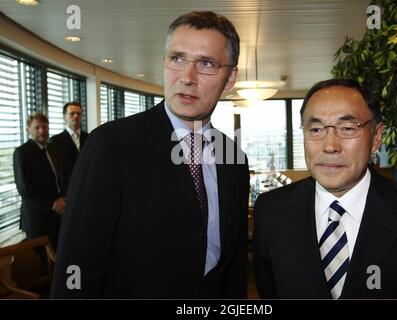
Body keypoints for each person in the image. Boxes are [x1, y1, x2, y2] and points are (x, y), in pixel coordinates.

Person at [51, 11, 249, 299]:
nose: (187, 77)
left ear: (230, 77)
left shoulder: (233, 158)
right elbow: (78, 261)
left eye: (206, 63)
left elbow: (232, 268)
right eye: (177, 58)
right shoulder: (111, 145)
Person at [253, 79, 397, 299]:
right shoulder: (271, 211)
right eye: (316, 129)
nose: (330, 146)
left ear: (376, 137)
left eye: (347, 128)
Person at [13, 113, 66, 249]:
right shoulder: (22, 152)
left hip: (58, 215)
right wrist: (52, 204)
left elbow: (62, 177)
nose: (42, 131)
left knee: (58, 254)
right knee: (41, 260)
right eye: (37, 128)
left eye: (45, 126)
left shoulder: (54, 149)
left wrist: (63, 199)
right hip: (37, 217)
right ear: (28, 130)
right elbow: (25, 188)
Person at [49, 101, 89, 182]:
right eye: (72, 113)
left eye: (79, 113)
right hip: (67, 186)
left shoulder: (89, 137)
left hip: (87, 182)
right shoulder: (55, 141)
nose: (76, 116)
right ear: (64, 117)